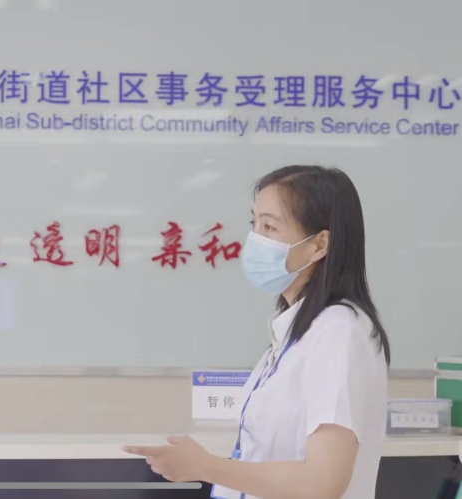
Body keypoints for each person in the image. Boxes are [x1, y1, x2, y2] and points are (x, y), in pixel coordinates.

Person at [124, 165, 390, 499]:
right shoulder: (296, 331)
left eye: (270, 227)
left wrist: (206, 466)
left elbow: (323, 483)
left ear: (319, 244)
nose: (255, 240)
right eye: (255, 224)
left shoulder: (338, 331)